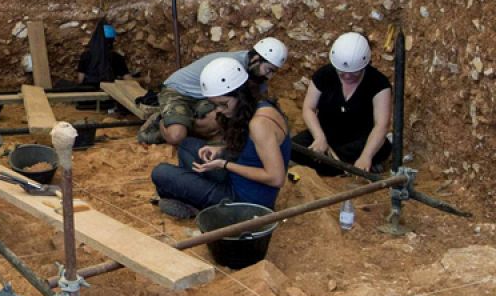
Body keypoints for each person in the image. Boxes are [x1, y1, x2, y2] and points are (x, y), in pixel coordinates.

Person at [150, 57, 290, 219]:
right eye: (216, 105)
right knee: (187, 145)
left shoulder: (259, 124)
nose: (220, 110)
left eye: (224, 104)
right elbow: (253, 149)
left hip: (247, 204)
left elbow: (276, 178)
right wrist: (220, 150)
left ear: (240, 95)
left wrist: (225, 164)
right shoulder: (259, 106)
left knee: (160, 173)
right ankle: (194, 197)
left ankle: (196, 203)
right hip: (237, 181)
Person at [138, 37, 288, 147]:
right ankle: (161, 121)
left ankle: (184, 118)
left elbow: (255, 103)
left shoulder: (256, 75)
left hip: (210, 97)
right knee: (177, 135)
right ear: (256, 59)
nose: (269, 76)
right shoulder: (232, 66)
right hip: (178, 91)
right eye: (269, 70)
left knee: (215, 122)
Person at [294, 32, 392, 174]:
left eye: (354, 72)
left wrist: (366, 157)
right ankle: (341, 168)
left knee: (381, 149)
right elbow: (309, 108)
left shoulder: (379, 83)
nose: (347, 76)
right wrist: (319, 138)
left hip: (358, 141)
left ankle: (336, 167)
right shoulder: (324, 75)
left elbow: (381, 125)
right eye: (342, 72)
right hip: (326, 134)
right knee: (294, 148)